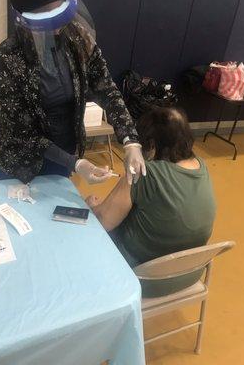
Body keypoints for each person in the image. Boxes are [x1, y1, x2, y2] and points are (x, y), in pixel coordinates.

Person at [0, 0, 146, 185]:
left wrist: (130, 140)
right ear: (26, 18)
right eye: (46, 19)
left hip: (64, 155)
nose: (57, 28)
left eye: (59, 15)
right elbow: (23, 133)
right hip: (20, 160)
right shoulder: (7, 58)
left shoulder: (77, 37)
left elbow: (107, 90)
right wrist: (76, 163)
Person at [86, 106, 216, 296]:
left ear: (152, 144)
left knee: (86, 230)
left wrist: (91, 205)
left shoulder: (145, 173)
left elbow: (103, 222)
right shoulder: (201, 166)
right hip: (190, 273)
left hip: (144, 278)